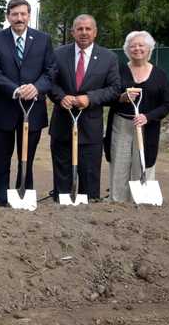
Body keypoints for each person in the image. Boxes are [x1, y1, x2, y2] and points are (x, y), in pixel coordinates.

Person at [0, 0, 56, 206]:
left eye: (23, 14)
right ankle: (1, 199)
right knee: (2, 158)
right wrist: (15, 90)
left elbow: (51, 70)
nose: (19, 18)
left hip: (33, 108)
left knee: (27, 157)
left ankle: (23, 194)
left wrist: (36, 87)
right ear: (8, 16)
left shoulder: (43, 39)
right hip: (4, 108)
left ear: (29, 15)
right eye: (15, 14)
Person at [48, 14, 121, 201]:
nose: (84, 33)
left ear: (95, 32)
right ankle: (60, 208)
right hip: (62, 126)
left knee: (89, 179)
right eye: (79, 29)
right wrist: (60, 97)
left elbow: (114, 89)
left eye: (88, 29)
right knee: (62, 177)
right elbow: (49, 82)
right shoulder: (58, 54)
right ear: (73, 32)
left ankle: (89, 214)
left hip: (91, 130)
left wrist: (90, 98)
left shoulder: (108, 57)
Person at [104, 31, 169, 202]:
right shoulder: (118, 71)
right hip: (121, 125)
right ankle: (117, 202)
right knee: (119, 166)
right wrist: (121, 98)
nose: (137, 48)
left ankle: (141, 203)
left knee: (143, 164)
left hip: (146, 127)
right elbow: (107, 97)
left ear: (149, 48)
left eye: (141, 45)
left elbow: (166, 105)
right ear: (127, 49)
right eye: (133, 45)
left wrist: (148, 117)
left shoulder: (160, 75)